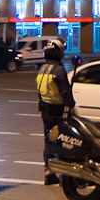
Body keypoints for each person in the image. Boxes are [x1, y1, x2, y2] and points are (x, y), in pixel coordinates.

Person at [35, 40, 74, 185]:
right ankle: (64, 174)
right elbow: (65, 92)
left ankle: (49, 172)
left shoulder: (42, 69)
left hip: (46, 110)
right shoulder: (58, 70)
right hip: (59, 111)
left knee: (49, 140)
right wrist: (71, 106)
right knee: (64, 141)